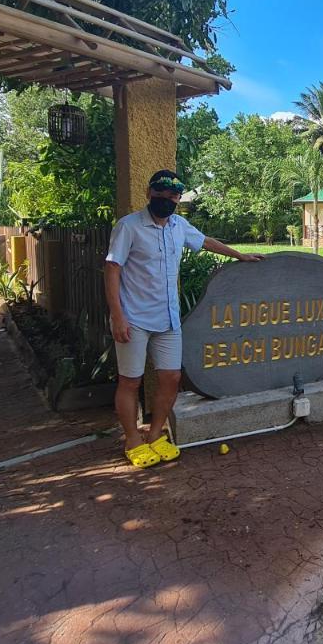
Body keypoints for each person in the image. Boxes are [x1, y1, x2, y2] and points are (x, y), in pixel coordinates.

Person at [105, 170, 261, 468]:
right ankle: (132, 440)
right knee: (130, 381)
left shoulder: (179, 226)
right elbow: (112, 269)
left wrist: (240, 256)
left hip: (168, 321)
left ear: (178, 197)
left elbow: (206, 241)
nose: (166, 199)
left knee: (171, 378)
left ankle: (154, 435)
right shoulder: (129, 227)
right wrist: (117, 315)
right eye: (161, 194)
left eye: (173, 195)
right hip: (134, 318)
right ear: (149, 193)